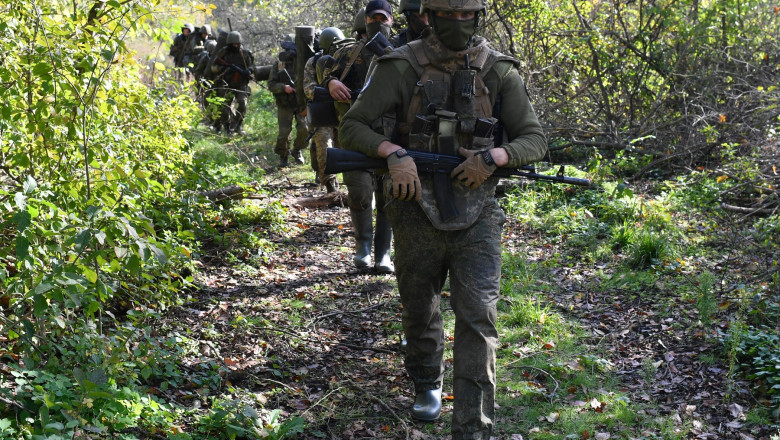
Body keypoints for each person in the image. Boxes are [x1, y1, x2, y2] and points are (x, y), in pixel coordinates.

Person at [338, 0, 548, 437]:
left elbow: (535, 139)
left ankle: (473, 424)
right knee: (420, 305)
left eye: (466, 15)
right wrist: (393, 154)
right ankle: (426, 380)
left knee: (478, 315)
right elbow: (353, 126)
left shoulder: (499, 71)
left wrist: (496, 156)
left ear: (478, 17)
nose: (458, 23)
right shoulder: (400, 66)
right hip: (413, 206)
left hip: (480, 210)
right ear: (428, 17)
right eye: (448, 16)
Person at [320, 1, 395, 273]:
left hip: (392, 136)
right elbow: (325, 74)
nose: (378, 23)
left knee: (390, 195)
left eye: (382, 18)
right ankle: (363, 248)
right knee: (360, 193)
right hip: (354, 135)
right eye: (373, 18)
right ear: (365, 21)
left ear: (391, 20)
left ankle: (384, 253)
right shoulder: (350, 53)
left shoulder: (402, 51)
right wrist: (331, 83)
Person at [303, 27, 347, 193]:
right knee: (324, 147)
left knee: (343, 147)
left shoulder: (346, 59)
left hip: (342, 111)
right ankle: (330, 184)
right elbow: (308, 88)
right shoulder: (313, 62)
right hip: (322, 112)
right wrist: (327, 91)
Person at [268, 35, 309, 167]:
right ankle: (283, 155)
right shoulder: (279, 64)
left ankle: (296, 150)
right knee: (284, 133)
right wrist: (283, 88)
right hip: (285, 103)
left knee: (305, 129)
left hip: (300, 102)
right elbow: (271, 85)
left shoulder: (303, 62)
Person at [206, 31, 254, 135]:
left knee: (243, 105)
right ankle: (227, 128)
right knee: (225, 108)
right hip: (226, 83)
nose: (236, 46)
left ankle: (238, 125)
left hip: (241, 83)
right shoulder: (223, 52)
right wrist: (224, 68)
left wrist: (249, 71)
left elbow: (252, 66)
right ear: (229, 44)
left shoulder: (245, 53)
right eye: (233, 44)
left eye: (237, 44)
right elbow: (213, 67)